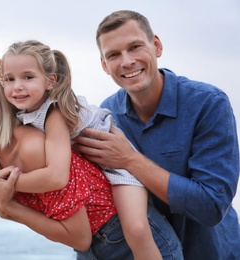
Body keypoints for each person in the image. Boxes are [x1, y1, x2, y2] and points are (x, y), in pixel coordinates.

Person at [0, 51, 183, 259]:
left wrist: (10, 206)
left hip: (127, 242)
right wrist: (9, 206)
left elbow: (78, 235)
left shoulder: (32, 147)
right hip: (94, 250)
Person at [72, 10, 240, 260]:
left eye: (135, 47)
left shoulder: (209, 103)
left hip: (211, 253)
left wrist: (129, 159)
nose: (127, 61)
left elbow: (211, 207)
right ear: (104, 65)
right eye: (114, 55)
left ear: (157, 46)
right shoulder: (105, 115)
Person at [0, 39, 172, 259]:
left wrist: (10, 186)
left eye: (28, 77)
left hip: (118, 168)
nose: (17, 86)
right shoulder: (24, 116)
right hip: (100, 169)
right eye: (9, 79)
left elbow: (57, 176)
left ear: (51, 81)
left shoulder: (54, 113)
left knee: (137, 229)